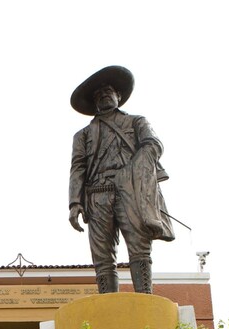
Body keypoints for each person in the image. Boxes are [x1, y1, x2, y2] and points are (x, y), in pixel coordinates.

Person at [68, 66, 174, 294]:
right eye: (98, 95)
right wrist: (75, 203)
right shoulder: (83, 135)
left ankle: (145, 296)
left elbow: (153, 145)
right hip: (97, 194)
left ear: (118, 96)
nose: (104, 95)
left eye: (108, 91)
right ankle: (108, 301)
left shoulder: (137, 122)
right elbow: (78, 167)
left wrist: (134, 169)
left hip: (131, 191)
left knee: (139, 248)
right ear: (95, 104)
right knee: (102, 255)